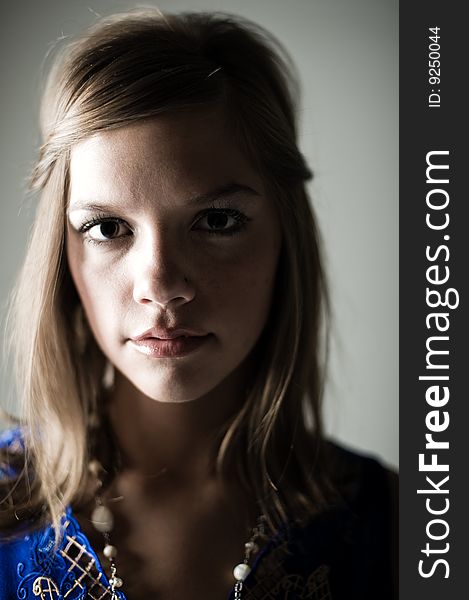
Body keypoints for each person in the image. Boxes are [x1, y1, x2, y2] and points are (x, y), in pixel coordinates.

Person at [0, 8, 397, 600]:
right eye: (108, 228)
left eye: (216, 220)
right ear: (61, 254)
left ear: (285, 238)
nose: (160, 285)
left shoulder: (394, 525)